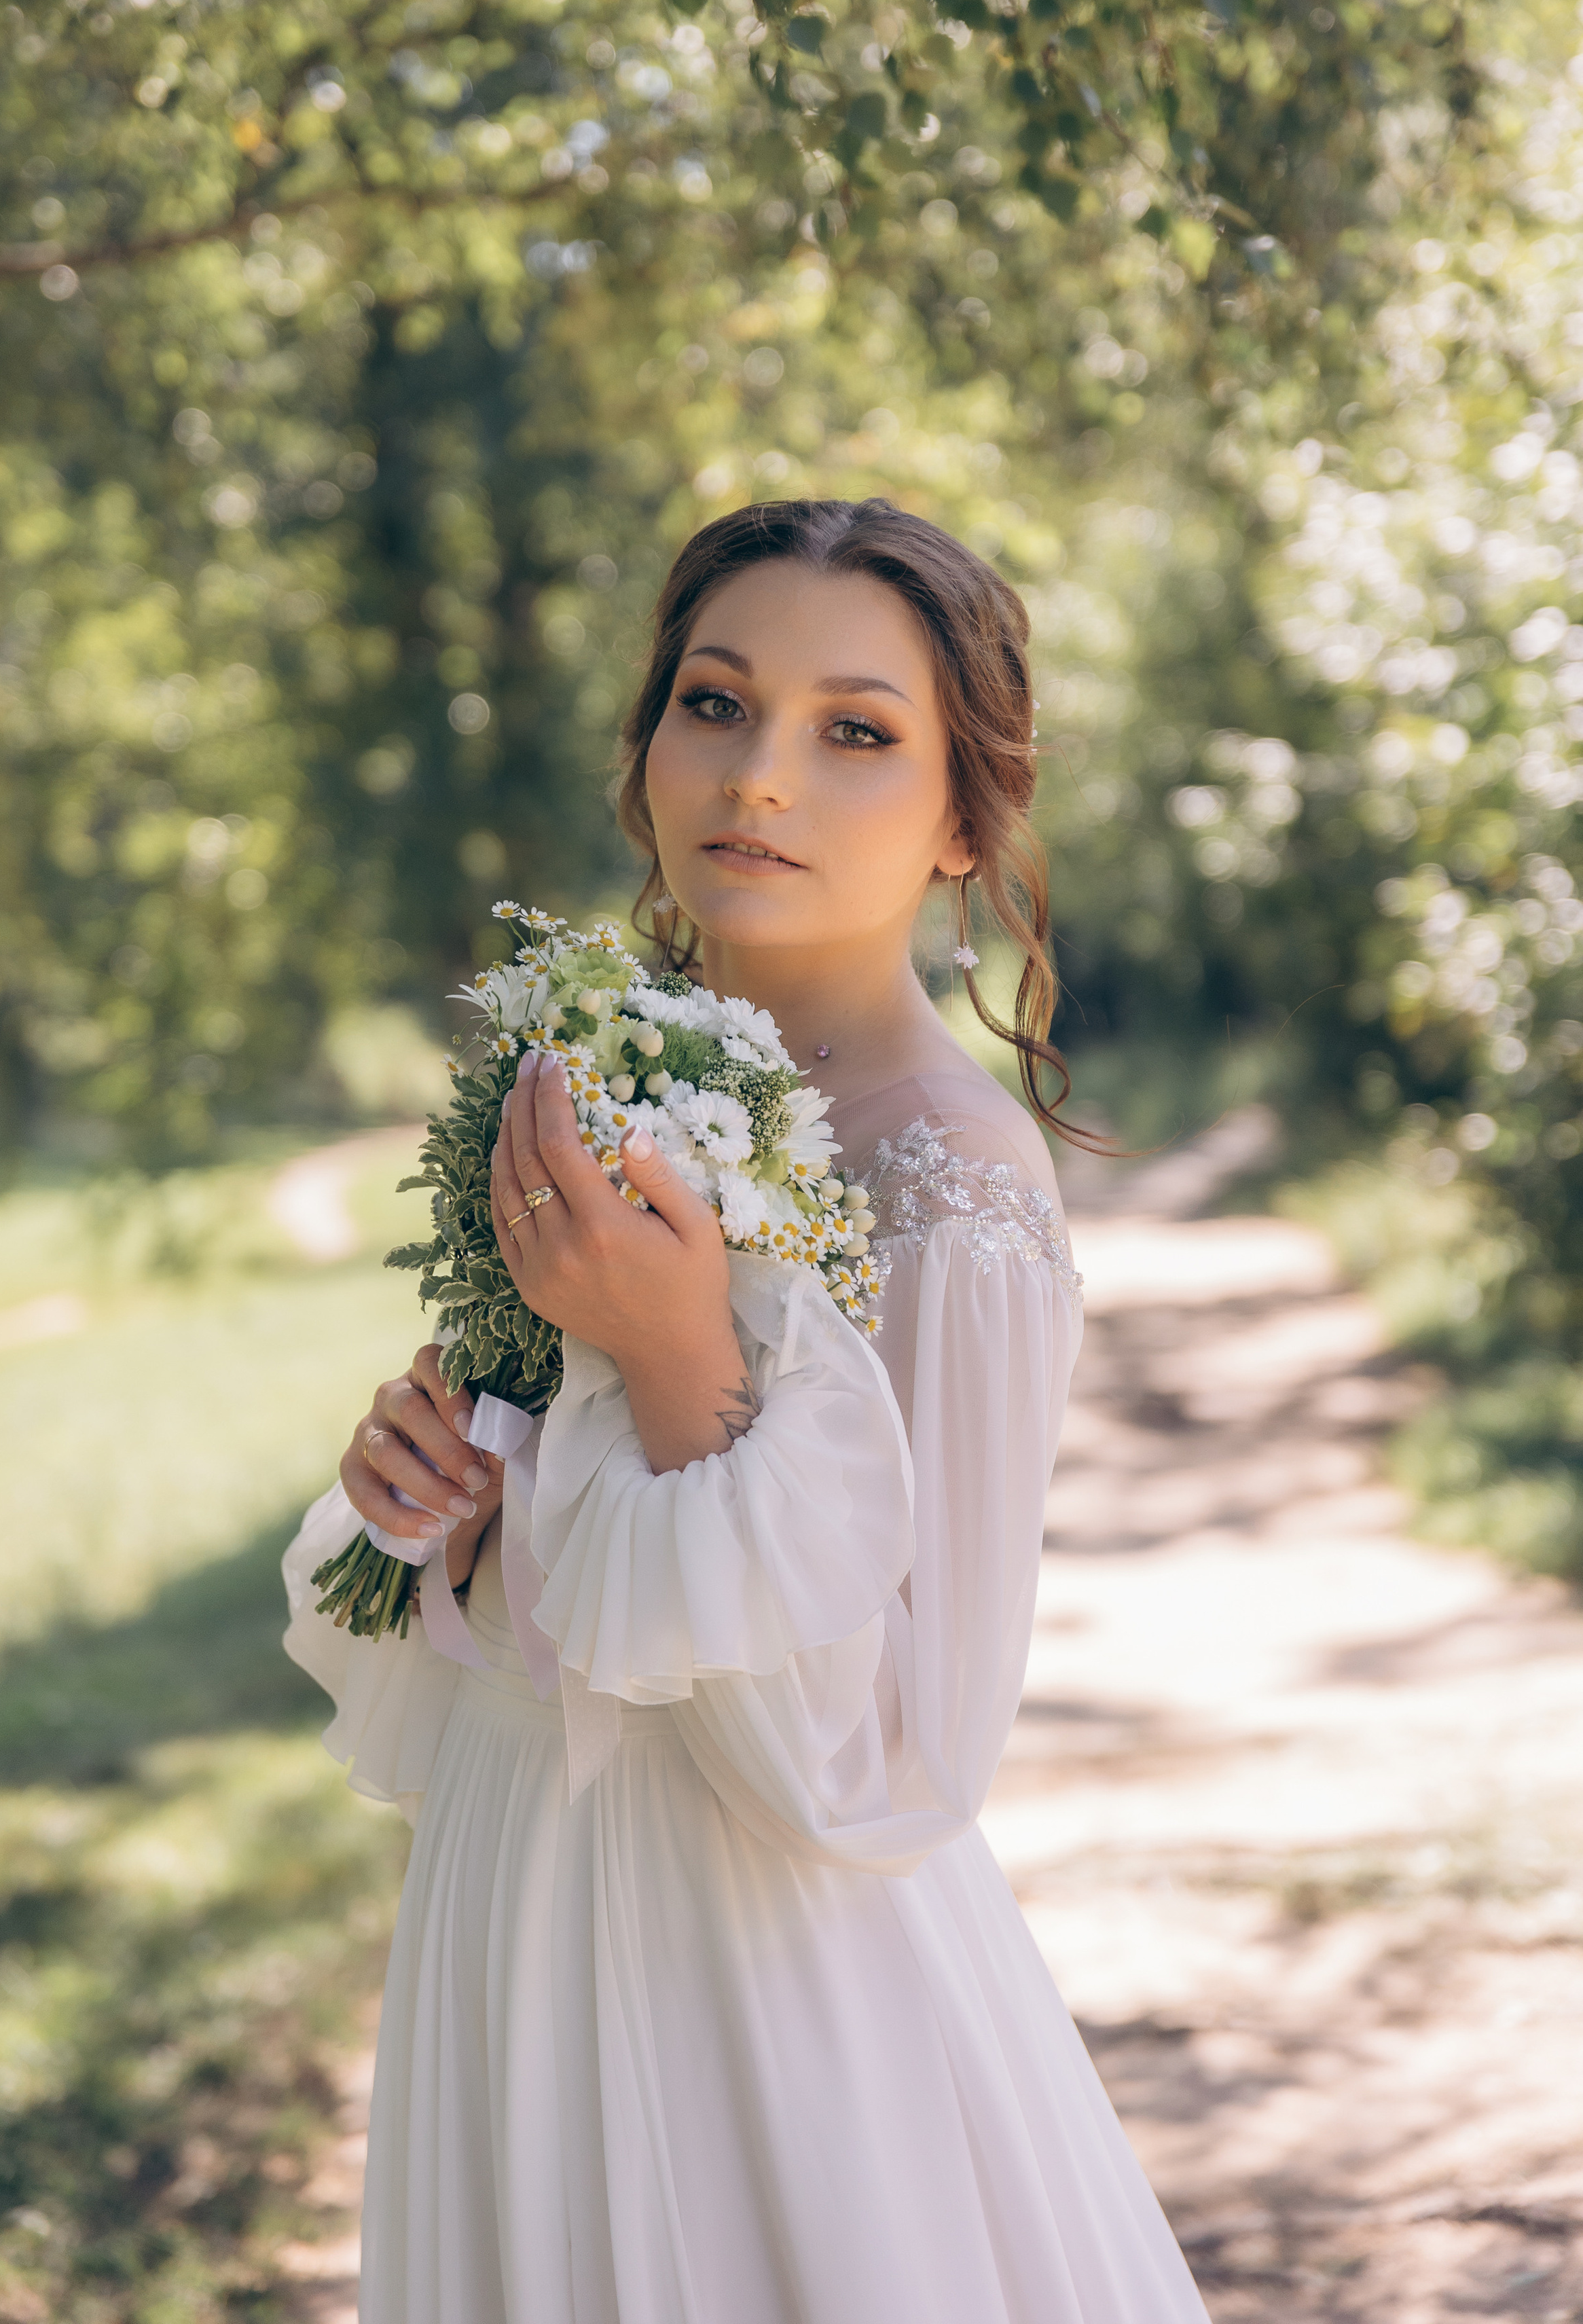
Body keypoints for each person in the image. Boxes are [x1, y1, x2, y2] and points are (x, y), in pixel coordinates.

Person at [282, 498, 1210, 2323]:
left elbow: (895, 1764)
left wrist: (685, 1348)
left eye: (854, 732)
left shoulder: (959, 1181)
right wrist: (445, 1508)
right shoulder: (584, 1071)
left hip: (764, 1973)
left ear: (964, 820)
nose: (760, 776)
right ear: (644, 757)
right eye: (716, 704)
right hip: (517, 1891)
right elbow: (543, 1570)